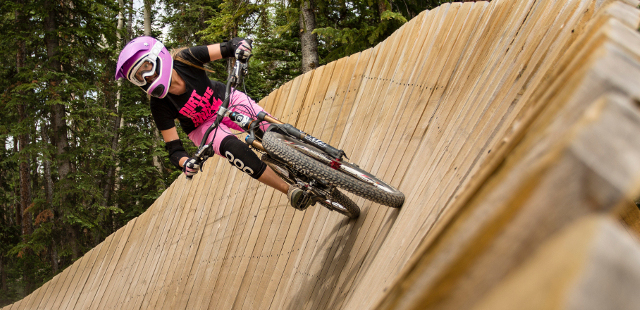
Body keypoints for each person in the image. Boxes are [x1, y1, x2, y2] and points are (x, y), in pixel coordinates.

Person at [114, 36, 311, 210]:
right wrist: (186, 163)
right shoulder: (159, 105)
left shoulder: (185, 59)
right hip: (202, 127)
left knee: (269, 128)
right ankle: (289, 190)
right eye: (139, 76)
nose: (147, 77)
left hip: (225, 99)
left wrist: (241, 46)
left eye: (146, 67)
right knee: (234, 149)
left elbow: (228, 47)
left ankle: (313, 154)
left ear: (158, 56)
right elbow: (174, 150)